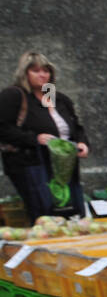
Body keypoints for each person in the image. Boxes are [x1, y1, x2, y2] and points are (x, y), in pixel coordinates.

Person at [0, 51, 90, 220]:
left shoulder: (55, 96)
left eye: (45, 70)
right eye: (35, 70)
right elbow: (3, 128)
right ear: (24, 73)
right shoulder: (15, 95)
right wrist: (34, 139)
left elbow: (75, 127)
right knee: (46, 214)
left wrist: (82, 143)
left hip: (64, 166)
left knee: (71, 213)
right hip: (33, 164)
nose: (42, 75)